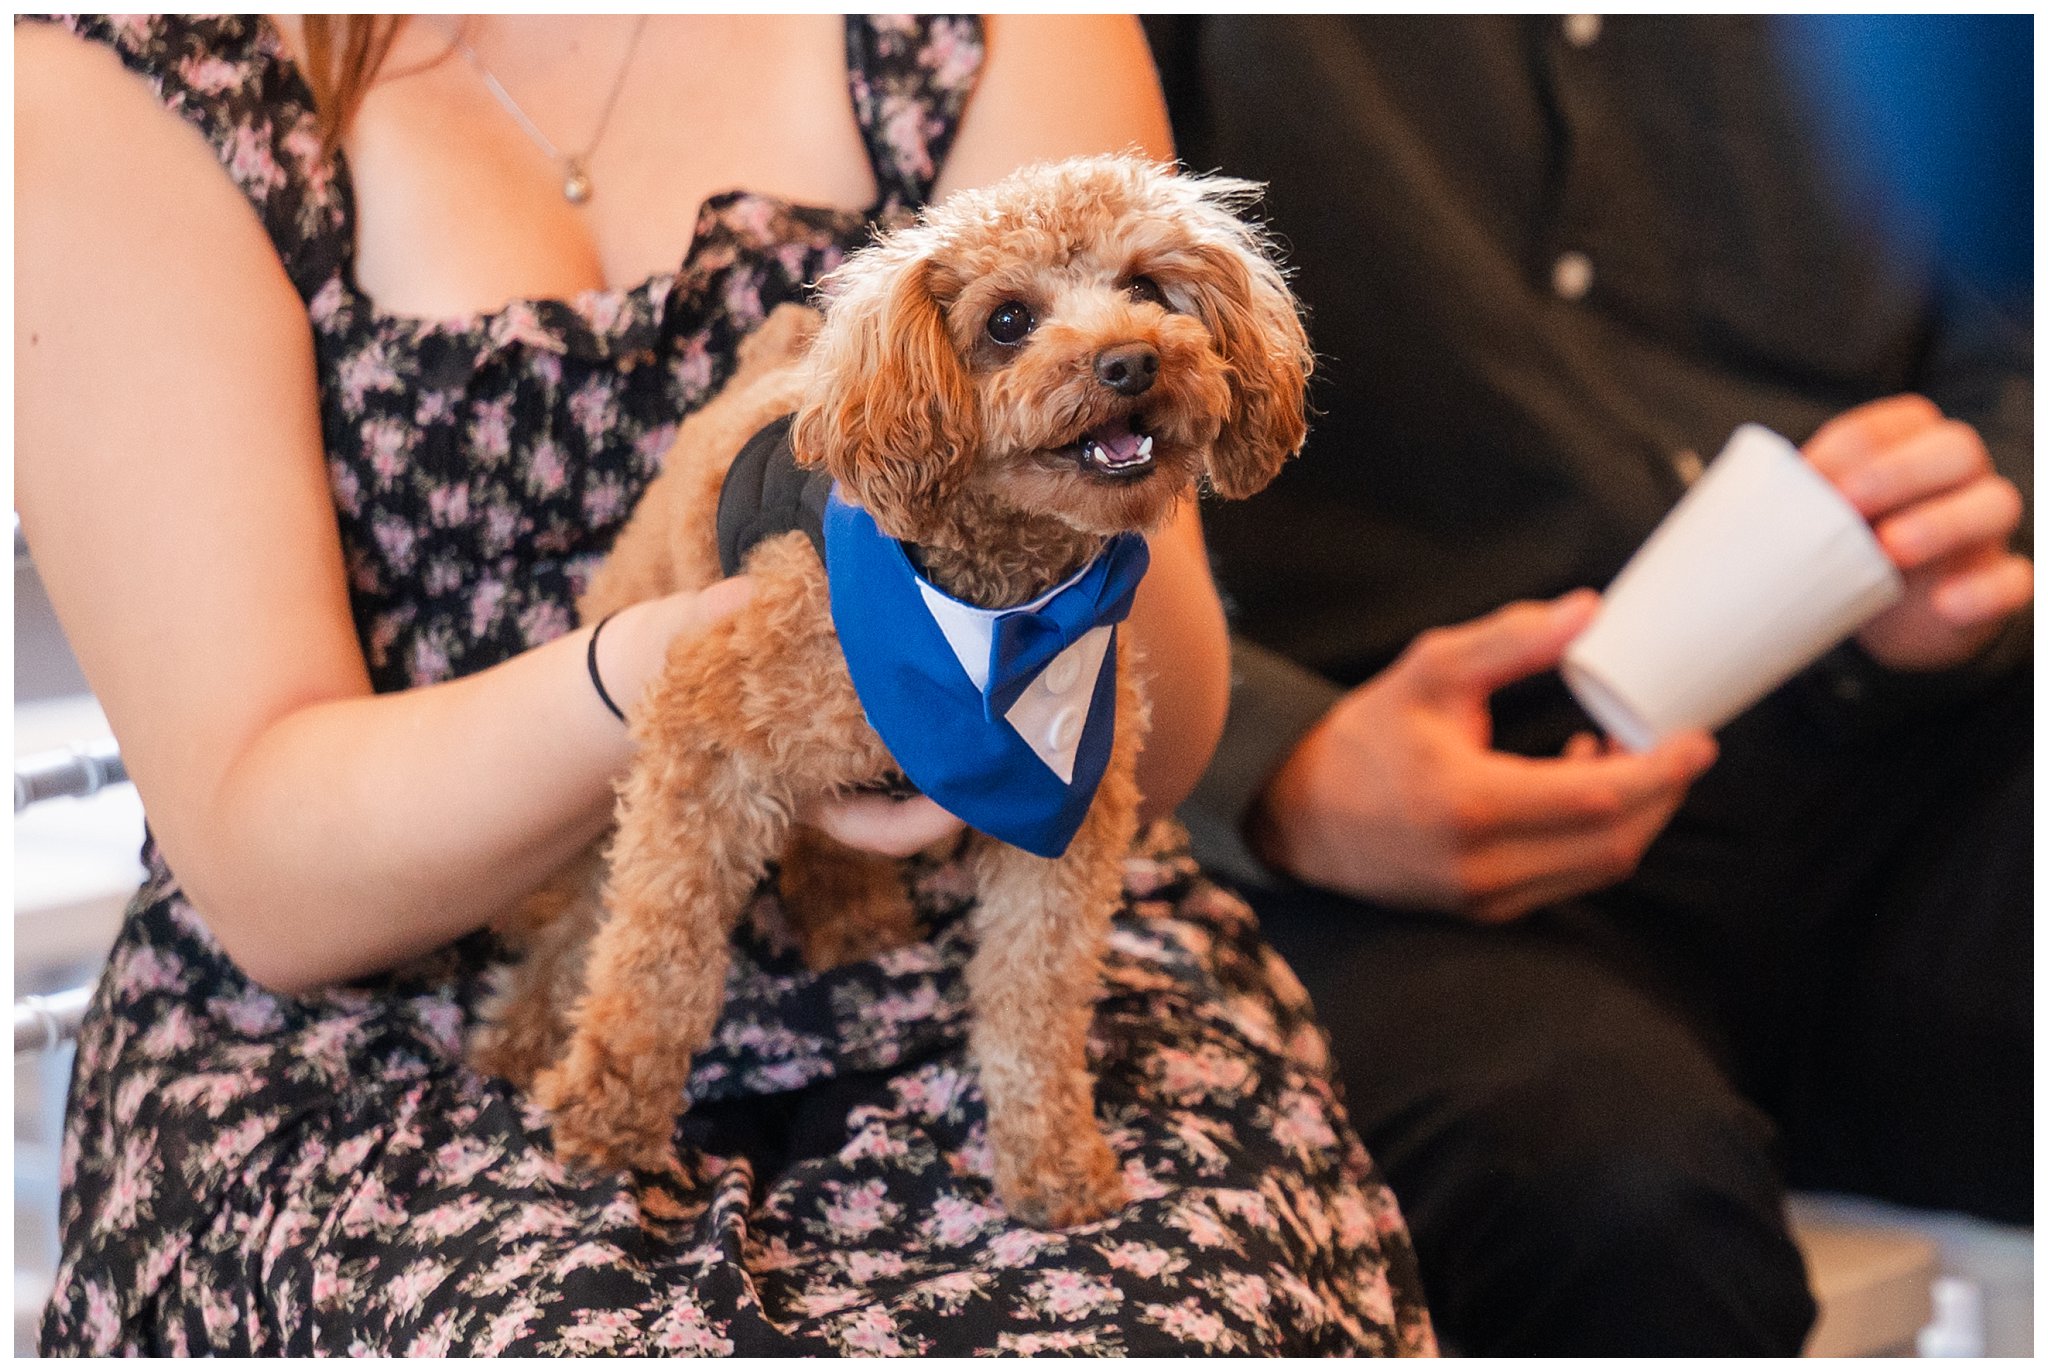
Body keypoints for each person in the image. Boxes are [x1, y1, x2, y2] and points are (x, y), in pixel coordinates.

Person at [17, 15, 1434, 1355]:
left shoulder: (993, 26)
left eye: (1137, 299)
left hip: (971, 927)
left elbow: (1152, 735)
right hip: (385, 1010)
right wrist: (670, 665)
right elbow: (266, 869)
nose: (1108, 332)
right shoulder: (114, 91)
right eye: (1015, 322)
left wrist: (1052, 560)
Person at [1144, 14, 2032, 1357]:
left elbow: (2001, 315)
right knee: (1605, 1202)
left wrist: (1982, 511)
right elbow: (975, 424)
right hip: (1369, 828)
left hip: (1886, 728)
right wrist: (1281, 773)